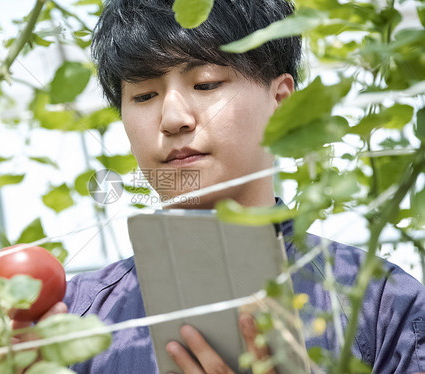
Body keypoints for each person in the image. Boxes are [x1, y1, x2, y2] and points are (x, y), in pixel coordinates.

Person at [56, 0, 425, 373]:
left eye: (206, 83)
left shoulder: (383, 305)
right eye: (144, 96)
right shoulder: (70, 322)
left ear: (280, 100)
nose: (172, 119)